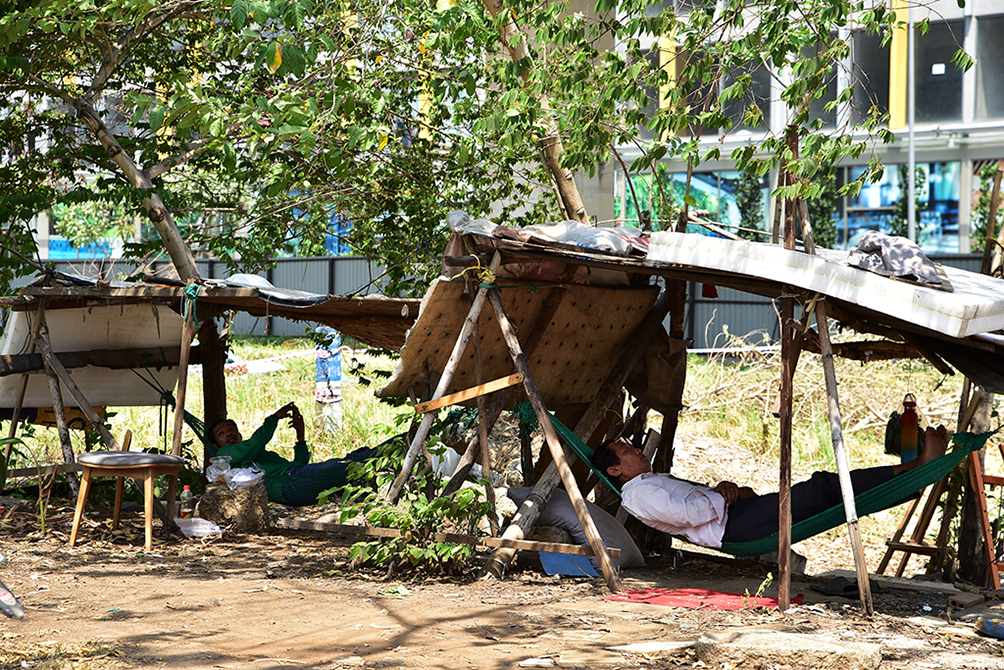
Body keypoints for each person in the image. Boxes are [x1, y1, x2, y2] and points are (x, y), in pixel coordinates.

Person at [591, 425, 950, 549]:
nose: (638, 450)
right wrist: (723, 495)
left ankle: (912, 475)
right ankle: (915, 469)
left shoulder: (650, 481)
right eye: (628, 451)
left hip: (739, 515)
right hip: (737, 527)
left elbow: (699, 500)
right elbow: (687, 515)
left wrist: (728, 490)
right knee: (822, 491)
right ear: (614, 469)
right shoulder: (637, 493)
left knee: (823, 493)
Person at [210, 402, 375, 483]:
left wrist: (300, 437)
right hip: (290, 478)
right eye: (221, 433)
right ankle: (386, 449)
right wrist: (275, 417)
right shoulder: (224, 456)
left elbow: (299, 463)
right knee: (340, 464)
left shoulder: (251, 452)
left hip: (295, 473)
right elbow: (255, 442)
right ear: (216, 445)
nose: (229, 433)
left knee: (354, 457)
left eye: (231, 428)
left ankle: (381, 452)